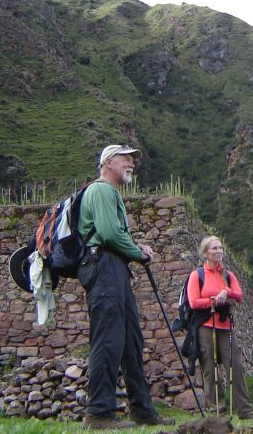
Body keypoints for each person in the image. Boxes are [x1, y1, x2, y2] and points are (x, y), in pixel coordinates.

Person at [77, 144, 174, 429]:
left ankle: (143, 411)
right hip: (105, 268)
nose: (132, 163)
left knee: (131, 341)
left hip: (114, 269)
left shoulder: (111, 194)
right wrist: (138, 252)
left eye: (134, 159)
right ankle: (99, 414)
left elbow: (115, 234)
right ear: (108, 162)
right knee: (108, 340)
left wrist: (134, 247)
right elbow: (107, 234)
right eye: (126, 158)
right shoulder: (102, 190)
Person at [187, 235, 253, 419]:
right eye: (214, 249)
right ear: (205, 253)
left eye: (220, 248)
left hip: (226, 326)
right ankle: (217, 411)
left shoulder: (228, 275)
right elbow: (193, 302)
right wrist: (213, 300)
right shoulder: (197, 275)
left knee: (236, 366)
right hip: (206, 326)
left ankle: (245, 410)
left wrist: (227, 292)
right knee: (210, 368)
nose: (219, 251)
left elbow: (239, 295)